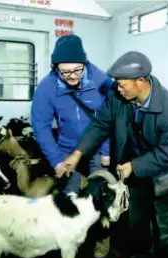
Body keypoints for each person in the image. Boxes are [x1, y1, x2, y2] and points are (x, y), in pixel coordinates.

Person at [62, 51, 168, 258]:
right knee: (137, 222)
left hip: (165, 173)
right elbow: (101, 124)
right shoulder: (118, 95)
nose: (118, 88)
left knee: (165, 229)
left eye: (122, 84)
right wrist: (78, 153)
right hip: (135, 171)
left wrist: (134, 166)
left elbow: (167, 153)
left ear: (141, 81)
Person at [31, 34, 112, 194]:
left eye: (77, 70)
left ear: (85, 63)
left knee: (99, 192)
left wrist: (106, 151)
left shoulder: (101, 80)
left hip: (96, 146)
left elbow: (109, 118)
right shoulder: (46, 87)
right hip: (67, 147)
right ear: (55, 68)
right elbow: (41, 126)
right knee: (68, 193)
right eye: (65, 72)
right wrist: (56, 161)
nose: (72, 76)